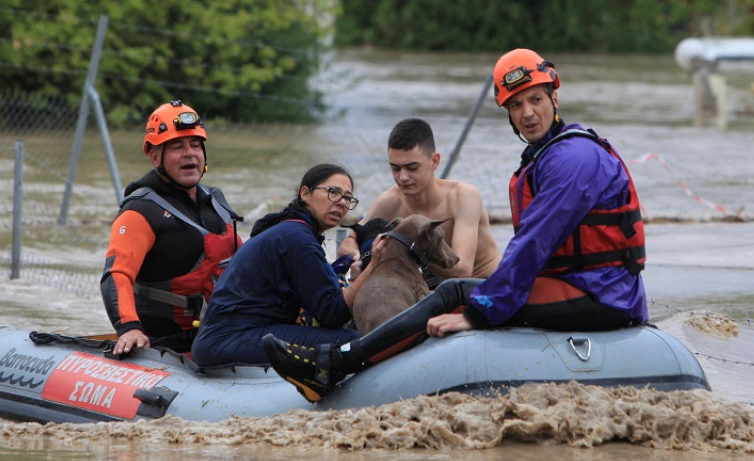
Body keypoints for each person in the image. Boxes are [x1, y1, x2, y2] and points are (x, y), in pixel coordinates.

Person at [263, 49, 648, 402]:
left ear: (554, 99)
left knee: (455, 294)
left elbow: (532, 244)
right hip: (586, 286)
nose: (528, 112)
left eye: (536, 100)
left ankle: (333, 365)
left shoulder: (572, 159)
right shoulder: (548, 155)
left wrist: (478, 313)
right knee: (455, 293)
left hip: (601, 295)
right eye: (516, 105)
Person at [190, 163, 389, 368]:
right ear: (305, 193)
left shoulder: (288, 228)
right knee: (349, 342)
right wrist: (374, 264)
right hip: (230, 340)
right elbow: (333, 314)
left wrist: (355, 277)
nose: (341, 202)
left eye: (348, 197)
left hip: (225, 337)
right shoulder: (298, 238)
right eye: (333, 192)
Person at [101, 100, 243, 356]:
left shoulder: (216, 201)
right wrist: (129, 328)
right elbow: (116, 274)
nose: (190, 153)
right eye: (177, 147)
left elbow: (247, 265)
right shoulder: (140, 210)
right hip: (166, 348)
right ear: (155, 156)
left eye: (196, 145)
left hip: (222, 335)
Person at [341, 117, 500, 283]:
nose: (402, 177)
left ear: (434, 161)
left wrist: (404, 246)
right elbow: (349, 241)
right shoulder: (388, 202)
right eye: (395, 168)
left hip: (485, 284)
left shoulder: (464, 196)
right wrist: (357, 254)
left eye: (412, 168)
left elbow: (463, 271)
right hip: (433, 288)